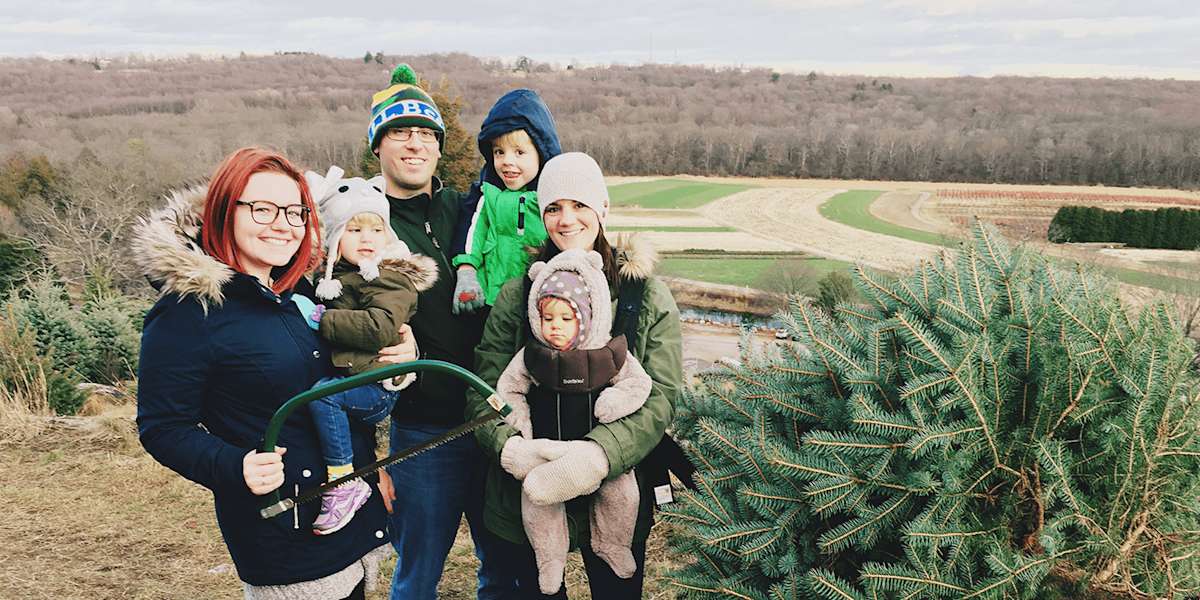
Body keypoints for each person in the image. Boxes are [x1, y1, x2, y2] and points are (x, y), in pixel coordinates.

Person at [134, 147, 390, 599]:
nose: (282, 223)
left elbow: (333, 394)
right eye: (263, 208)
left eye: (295, 211)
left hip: (349, 516)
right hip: (285, 534)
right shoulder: (187, 314)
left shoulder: (297, 294)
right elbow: (163, 426)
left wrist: (371, 471)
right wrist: (236, 466)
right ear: (223, 211)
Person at [465, 152, 684, 598]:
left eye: (579, 205)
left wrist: (599, 456)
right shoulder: (520, 292)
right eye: (553, 208)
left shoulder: (642, 294)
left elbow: (659, 396)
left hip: (618, 485)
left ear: (602, 209)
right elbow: (486, 389)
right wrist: (511, 450)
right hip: (533, 487)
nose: (566, 220)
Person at [365, 63, 512, 598]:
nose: (415, 144)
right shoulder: (366, 225)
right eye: (400, 132)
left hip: (497, 419)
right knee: (417, 572)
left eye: (426, 133)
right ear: (377, 145)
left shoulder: (467, 209)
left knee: (503, 565)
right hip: (424, 431)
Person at [493, 248, 652, 595]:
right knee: (537, 498)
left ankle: (614, 545)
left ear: (587, 317)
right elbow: (508, 388)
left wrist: (615, 401)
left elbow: (640, 384)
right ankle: (549, 559)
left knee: (622, 493)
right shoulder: (533, 356)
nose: (556, 328)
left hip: (597, 448)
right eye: (548, 319)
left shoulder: (608, 353)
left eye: (566, 319)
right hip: (548, 449)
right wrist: (520, 429)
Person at [299, 167, 439, 535]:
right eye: (355, 229)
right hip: (355, 376)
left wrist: (321, 320)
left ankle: (344, 482)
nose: (367, 239)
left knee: (323, 398)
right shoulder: (337, 276)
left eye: (377, 229)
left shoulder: (388, 275)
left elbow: (379, 328)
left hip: (375, 386)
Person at [449, 88, 562, 315]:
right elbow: (472, 232)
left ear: (541, 153)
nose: (507, 162)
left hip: (539, 301)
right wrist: (466, 271)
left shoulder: (552, 198)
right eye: (499, 152)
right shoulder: (487, 192)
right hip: (490, 298)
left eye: (519, 152)